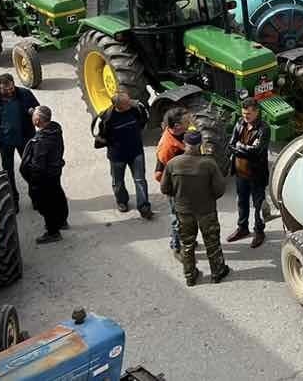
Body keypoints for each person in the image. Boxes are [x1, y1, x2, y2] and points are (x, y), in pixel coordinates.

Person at [161, 129, 231, 286]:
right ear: (200, 144)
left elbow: (165, 189)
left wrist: (179, 196)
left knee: (187, 244)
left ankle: (190, 275)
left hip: (183, 211)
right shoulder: (209, 164)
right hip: (206, 210)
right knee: (212, 242)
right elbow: (220, 189)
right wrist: (209, 198)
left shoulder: (173, 164)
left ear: (185, 144)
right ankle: (217, 272)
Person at [0, 73, 39, 205]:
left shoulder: (25, 94)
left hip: (25, 139)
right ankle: (14, 200)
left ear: (13, 84)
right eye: (5, 89)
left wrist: (32, 113)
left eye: (11, 88)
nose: (9, 91)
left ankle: (36, 198)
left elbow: (37, 110)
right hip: (5, 142)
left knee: (30, 169)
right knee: (8, 173)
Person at [93, 89, 151, 219]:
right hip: (117, 156)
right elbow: (99, 136)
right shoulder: (107, 118)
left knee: (140, 180)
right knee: (118, 181)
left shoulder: (136, 109)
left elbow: (144, 121)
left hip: (136, 152)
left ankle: (144, 207)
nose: (131, 103)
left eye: (129, 100)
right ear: (119, 106)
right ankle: (122, 201)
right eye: (127, 102)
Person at [20, 106, 68, 244]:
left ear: (38, 120)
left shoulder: (41, 141)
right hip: (55, 171)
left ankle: (53, 232)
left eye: (34, 116)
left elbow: (38, 166)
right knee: (58, 195)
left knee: (47, 205)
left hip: (45, 177)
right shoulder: (55, 130)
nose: (32, 118)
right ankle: (62, 221)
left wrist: (33, 182)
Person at [227, 98, 269, 248]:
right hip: (240, 174)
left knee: (258, 205)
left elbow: (257, 152)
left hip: (256, 176)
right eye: (244, 113)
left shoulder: (264, 129)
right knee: (242, 203)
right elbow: (231, 145)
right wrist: (244, 148)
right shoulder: (239, 123)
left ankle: (259, 231)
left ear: (257, 112)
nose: (246, 117)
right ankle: (242, 228)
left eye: (249, 114)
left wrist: (239, 147)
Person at [154, 106, 189, 261]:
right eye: (187, 121)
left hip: (183, 184)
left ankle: (184, 240)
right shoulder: (168, 147)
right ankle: (176, 246)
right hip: (176, 188)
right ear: (177, 126)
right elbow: (163, 174)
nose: (190, 122)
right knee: (178, 219)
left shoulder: (179, 134)